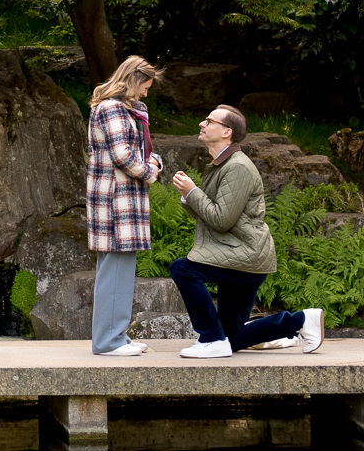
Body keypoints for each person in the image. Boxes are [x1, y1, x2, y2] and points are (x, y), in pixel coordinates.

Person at [168, 104, 324, 358]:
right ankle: (301, 320)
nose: (202, 124)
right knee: (233, 337)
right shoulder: (223, 164)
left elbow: (220, 220)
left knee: (182, 268)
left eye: (209, 121)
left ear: (227, 131)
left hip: (244, 255)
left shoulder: (237, 167)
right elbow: (212, 214)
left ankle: (209, 336)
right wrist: (189, 196)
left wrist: (193, 192)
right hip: (238, 254)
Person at [85, 56, 164, 356]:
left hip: (122, 199)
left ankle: (116, 335)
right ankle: (108, 341)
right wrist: (150, 172)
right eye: (145, 86)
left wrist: (153, 162)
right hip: (116, 201)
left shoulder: (125, 110)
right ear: (133, 80)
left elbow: (139, 152)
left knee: (119, 269)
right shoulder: (112, 108)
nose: (146, 93)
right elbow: (123, 156)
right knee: (115, 271)